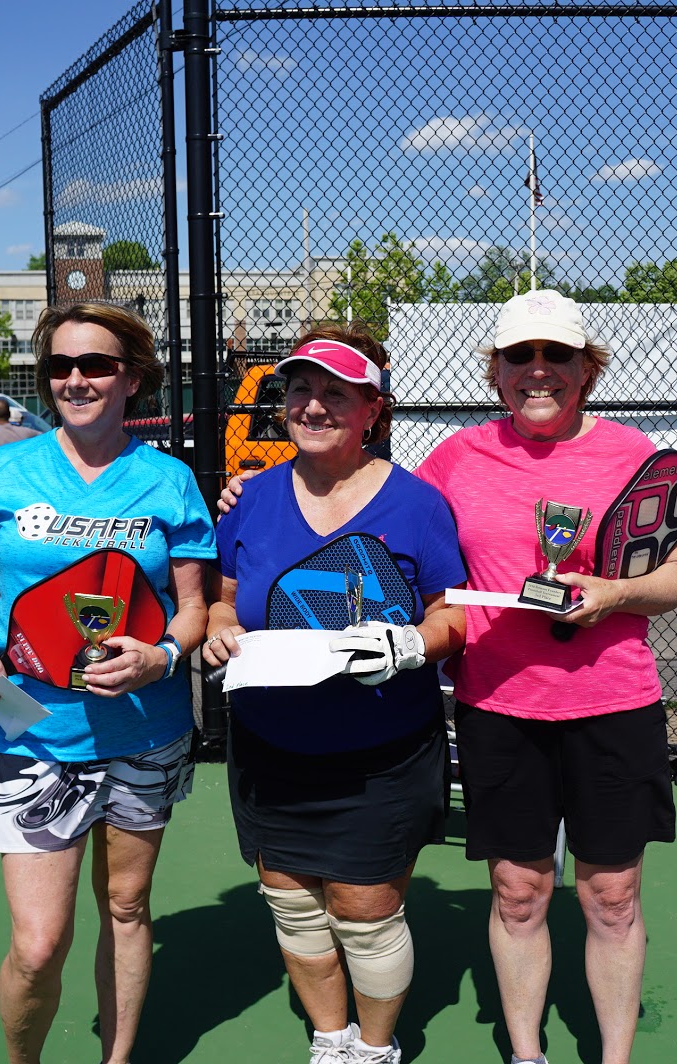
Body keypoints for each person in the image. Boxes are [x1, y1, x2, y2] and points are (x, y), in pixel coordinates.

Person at [220, 291, 677, 1064]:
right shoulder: (455, 459)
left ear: (587, 369)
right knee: (518, 893)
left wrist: (612, 594)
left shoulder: (632, 455)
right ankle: (525, 1053)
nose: (537, 371)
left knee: (611, 898)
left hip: (613, 701)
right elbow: (373, 511)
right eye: (519, 356)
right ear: (497, 371)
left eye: (556, 356)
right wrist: (248, 492)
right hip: (497, 705)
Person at [0, 301, 215, 1064]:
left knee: (127, 907)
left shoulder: (167, 481)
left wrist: (162, 656)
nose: (75, 379)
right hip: (32, 730)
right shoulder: (7, 469)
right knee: (38, 944)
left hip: (144, 730)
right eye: (59, 366)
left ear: (132, 378)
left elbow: (194, 607)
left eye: (95, 364)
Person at [202, 325, 467, 1064]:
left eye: (335, 394)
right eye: (300, 390)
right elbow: (223, 597)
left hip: (379, 751)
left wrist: (413, 642)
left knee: (365, 912)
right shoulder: (249, 498)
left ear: (372, 411)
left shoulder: (417, 504)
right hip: (271, 745)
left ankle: (374, 1050)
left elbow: (453, 613)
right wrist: (221, 628)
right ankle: (330, 1039)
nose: (313, 406)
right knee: (292, 906)